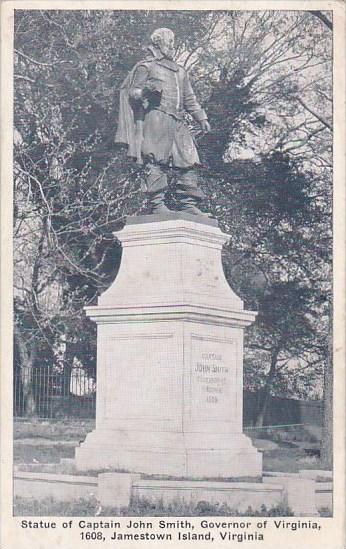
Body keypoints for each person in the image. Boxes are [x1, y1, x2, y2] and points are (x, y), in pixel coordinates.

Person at [115, 27, 211, 215]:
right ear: (158, 43)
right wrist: (146, 91)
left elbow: (189, 98)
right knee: (155, 159)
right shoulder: (146, 67)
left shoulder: (180, 71)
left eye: (174, 42)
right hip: (156, 118)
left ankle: (188, 204)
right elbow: (133, 93)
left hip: (177, 121)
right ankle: (157, 204)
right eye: (169, 42)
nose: (172, 46)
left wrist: (201, 117)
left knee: (189, 160)